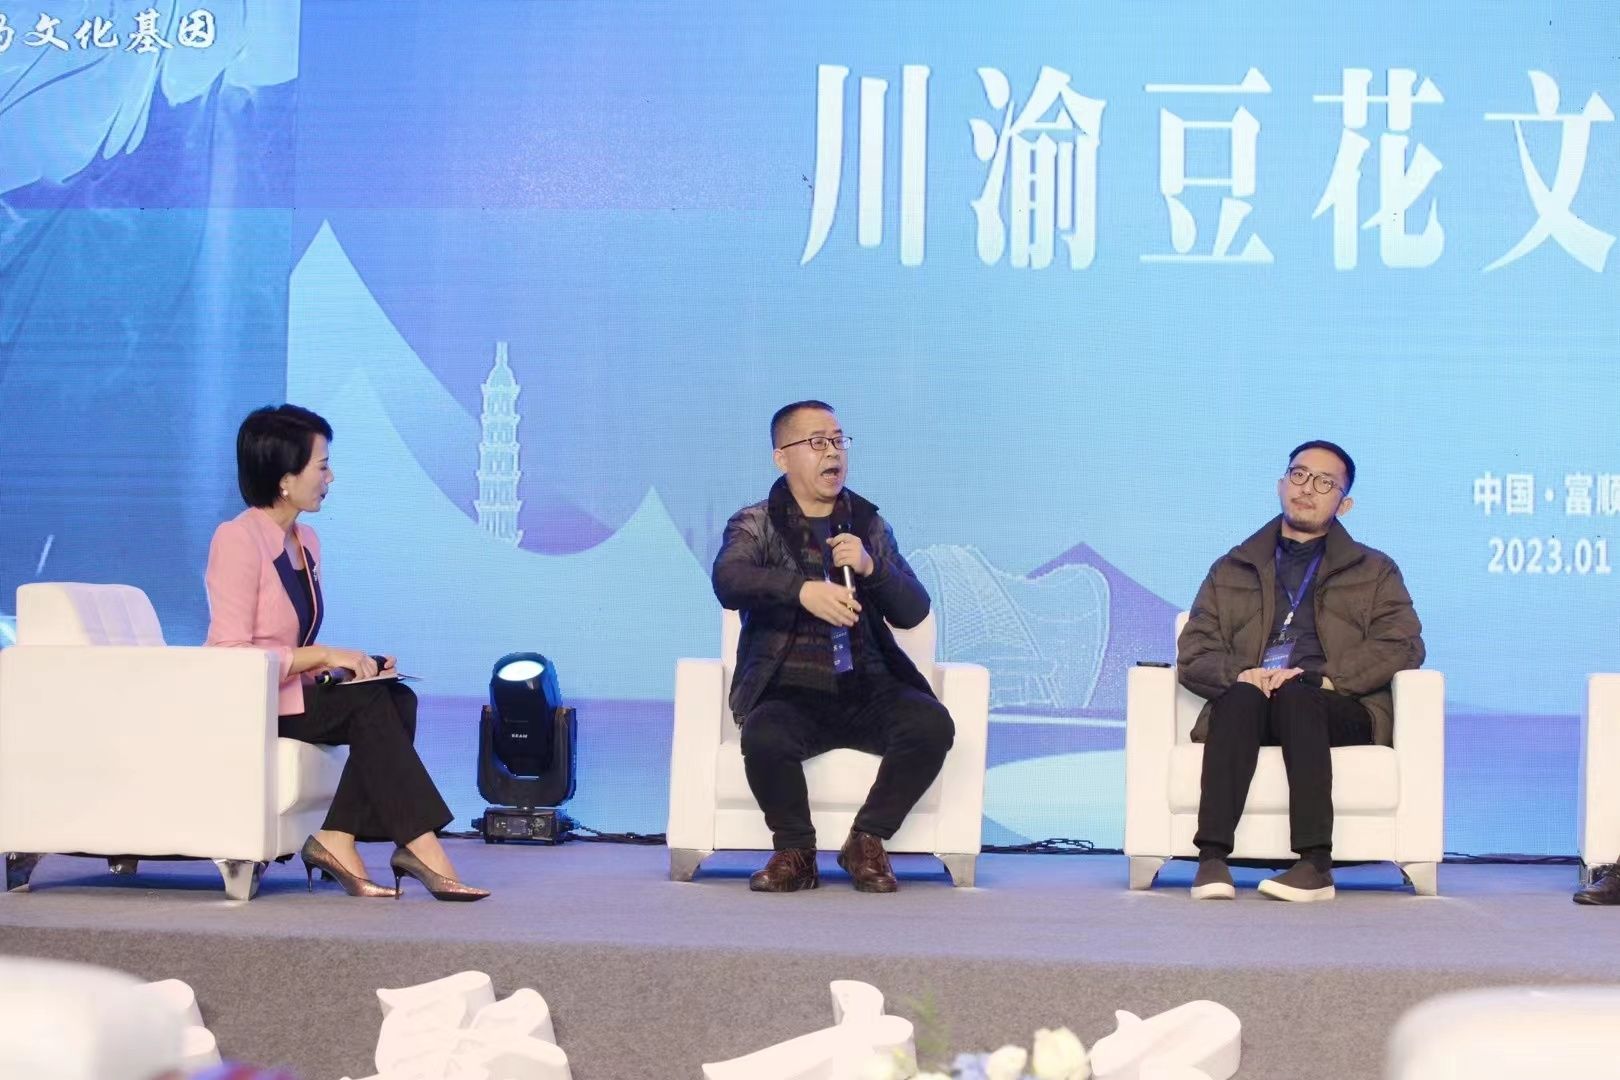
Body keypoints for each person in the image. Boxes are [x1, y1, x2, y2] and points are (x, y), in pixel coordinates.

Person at [204, 405, 486, 901]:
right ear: (285, 478)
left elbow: (294, 645)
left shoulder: (305, 541)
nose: (330, 477)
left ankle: (338, 836)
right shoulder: (237, 539)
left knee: (394, 696)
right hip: (250, 705)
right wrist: (323, 656)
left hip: (289, 695)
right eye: (322, 466)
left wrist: (350, 666)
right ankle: (421, 843)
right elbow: (231, 656)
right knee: (371, 703)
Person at [712, 400, 955, 893]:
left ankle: (866, 841)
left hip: (869, 686)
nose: (833, 453)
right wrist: (800, 590)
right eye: (817, 442)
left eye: (839, 441)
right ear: (782, 457)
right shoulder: (755, 522)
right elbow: (729, 579)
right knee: (764, 735)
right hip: (790, 689)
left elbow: (913, 609)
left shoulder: (867, 523)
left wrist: (871, 567)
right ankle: (796, 852)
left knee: (932, 724)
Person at [1177, 440, 1424, 902]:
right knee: (1242, 695)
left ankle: (1314, 864)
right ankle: (1211, 860)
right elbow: (1195, 649)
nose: (1307, 488)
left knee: (1297, 695)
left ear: (1344, 504)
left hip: (1337, 701)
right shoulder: (1232, 567)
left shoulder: (1374, 570)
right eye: (1299, 474)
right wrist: (1243, 673)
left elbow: (1402, 642)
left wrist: (1326, 678)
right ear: (1281, 484)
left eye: (1325, 482)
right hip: (1252, 699)